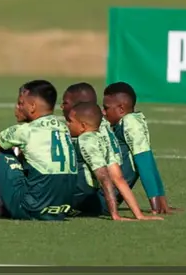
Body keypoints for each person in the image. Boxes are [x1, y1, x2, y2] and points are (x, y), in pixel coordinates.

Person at [0, 80, 78, 221]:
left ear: (32, 107)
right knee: (22, 157)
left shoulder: (25, 131)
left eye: (20, 103)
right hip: (62, 210)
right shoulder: (64, 129)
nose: (16, 108)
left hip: (30, 210)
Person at [66, 102, 160, 221]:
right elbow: (118, 179)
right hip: (88, 198)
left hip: (74, 195)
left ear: (83, 126)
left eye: (70, 121)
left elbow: (104, 178)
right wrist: (138, 214)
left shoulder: (86, 140)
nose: (67, 124)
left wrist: (115, 214)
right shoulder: (102, 140)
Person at [102, 82, 176, 215]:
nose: (103, 112)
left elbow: (146, 162)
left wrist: (156, 201)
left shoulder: (131, 123)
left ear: (121, 109)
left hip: (104, 196)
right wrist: (161, 198)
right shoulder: (129, 121)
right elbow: (149, 161)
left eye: (106, 108)